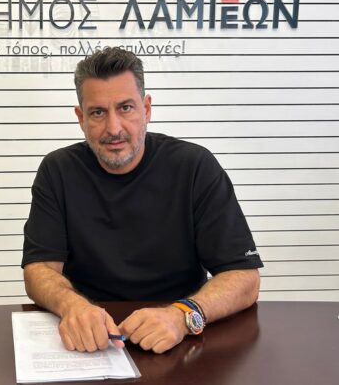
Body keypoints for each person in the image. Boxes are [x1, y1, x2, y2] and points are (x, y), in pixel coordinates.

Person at [22, 47, 263, 354]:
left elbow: (244, 277)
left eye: (126, 108)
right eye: (98, 113)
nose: (114, 128)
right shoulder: (57, 170)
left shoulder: (194, 167)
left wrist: (182, 315)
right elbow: (39, 269)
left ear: (146, 109)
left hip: (178, 338)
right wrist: (73, 306)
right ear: (81, 118)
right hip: (92, 337)